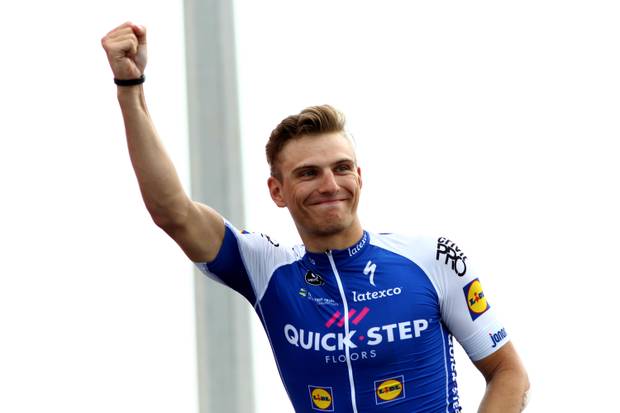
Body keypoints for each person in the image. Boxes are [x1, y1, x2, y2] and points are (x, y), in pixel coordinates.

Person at [102, 22, 529, 413]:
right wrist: (130, 88)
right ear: (277, 191)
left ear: (359, 177)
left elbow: (508, 373)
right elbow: (173, 212)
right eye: (308, 173)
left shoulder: (432, 257)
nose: (329, 184)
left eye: (341, 168)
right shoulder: (267, 268)